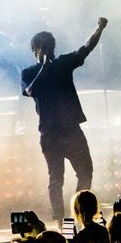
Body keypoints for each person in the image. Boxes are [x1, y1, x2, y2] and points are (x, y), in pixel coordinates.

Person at [21, 17, 108, 222]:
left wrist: (99, 29)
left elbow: (85, 49)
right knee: (56, 179)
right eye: (43, 49)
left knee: (86, 171)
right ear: (35, 50)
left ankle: (80, 215)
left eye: (50, 48)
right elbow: (30, 90)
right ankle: (61, 222)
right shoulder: (29, 72)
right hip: (50, 134)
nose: (48, 52)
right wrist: (43, 66)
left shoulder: (62, 64)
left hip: (71, 130)